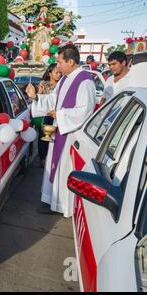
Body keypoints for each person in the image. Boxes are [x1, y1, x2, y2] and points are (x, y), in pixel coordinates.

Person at [26, 44, 96, 217]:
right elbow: (53, 99)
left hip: (71, 135)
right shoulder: (65, 79)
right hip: (59, 130)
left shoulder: (85, 81)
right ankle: (50, 200)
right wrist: (36, 96)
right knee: (53, 165)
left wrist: (60, 114)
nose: (57, 66)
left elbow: (85, 110)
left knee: (64, 168)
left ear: (71, 61)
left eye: (59, 62)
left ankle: (63, 205)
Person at [35, 63, 62, 167]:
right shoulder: (43, 84)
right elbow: (38, 99)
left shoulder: (62, 84)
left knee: (56, 138)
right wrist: (39, 94)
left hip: (58, 115)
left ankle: (52, 158)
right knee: (43, 138)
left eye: (60, 72)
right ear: (50, 73)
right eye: (56, 72)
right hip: (46, 115)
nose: (59, 75)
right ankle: (42, 158)